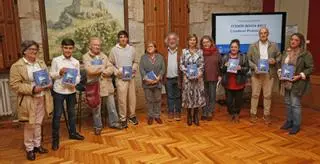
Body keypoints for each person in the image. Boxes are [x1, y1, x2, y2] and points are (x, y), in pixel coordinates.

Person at [10, 40, 52, 160]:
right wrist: (33, 89)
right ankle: (29, 149)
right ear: (24, 51)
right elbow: (14, 85)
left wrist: (49, 83)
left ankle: (37, 145)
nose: (34, 52)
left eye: (35, 49)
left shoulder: (40, 62)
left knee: (38, 123)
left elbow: (47, 76)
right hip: (29, 99)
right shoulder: (17, 66)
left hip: (43, 97)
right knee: (30, 124)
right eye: (31, 49)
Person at [83, 37, 123, 135]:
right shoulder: (86, 57)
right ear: (90, 46)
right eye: (95, 45)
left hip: (107, 84)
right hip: (94, 86)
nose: (97, 47)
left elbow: (111, 68)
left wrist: (103, 71)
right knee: (96, 108)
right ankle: (98, 126)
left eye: (99, 45)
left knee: (112, 106)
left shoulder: (104, 56)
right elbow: (90, 70)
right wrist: (102, 68)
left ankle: (114, 122)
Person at [50, 39, 84, 151]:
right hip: (59, 91)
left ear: (73, 49)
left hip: (71, 91)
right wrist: (59, 73)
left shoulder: (76, 62)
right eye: (66, 48)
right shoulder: (56, 60)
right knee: (57, 115)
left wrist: (75, 81)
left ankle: (73, 133)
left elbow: (78, 76)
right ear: (62, 48)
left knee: (72, 114)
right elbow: (51, 75)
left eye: (70, 48)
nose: (68, 50)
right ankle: (55, 139)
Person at [279, 33, 313, 135]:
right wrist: (280, 72)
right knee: (288, 103)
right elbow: (282, 65)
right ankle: (289, 121)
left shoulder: (305, 54)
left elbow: (310, 68)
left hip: (297, 83)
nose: (293, 41)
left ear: (300, 42)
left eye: (296, 40)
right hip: (285, 82)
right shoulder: (286, 52)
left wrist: (299, 76)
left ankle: (296, 125)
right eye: (292, 39)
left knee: (295, 104)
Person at [247, 27, 280, 124]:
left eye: (265, 33)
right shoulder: (252, 46)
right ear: (259, 34)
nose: (263, 34)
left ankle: (266, 115)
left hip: (268, 73)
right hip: (256, 74)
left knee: (268, 95)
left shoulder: (274, 45)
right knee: (255, 95)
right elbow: (248, 60)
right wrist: (254, 66)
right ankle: (253, 114)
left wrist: (275, 60)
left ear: (268, 34)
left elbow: (279, 56)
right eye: (261, 33)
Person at [109, 30, 139, 128]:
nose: (123, 39)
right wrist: (116, 72)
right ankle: (123, 118)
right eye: (121, 37)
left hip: (131, 77)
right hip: (120, 78)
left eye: (124, 37)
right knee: (122, 99)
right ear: (118, 39)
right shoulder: (114, 50)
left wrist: (133, 68)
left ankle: (132, 116)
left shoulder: (132, 49)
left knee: (132, 98)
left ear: (127, 38)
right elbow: (110, 64)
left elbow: (135, 62)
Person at [180, 34, 206, 126]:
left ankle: (195, 115)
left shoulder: (200, 52)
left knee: (197, 96)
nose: (192, 41)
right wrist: (188, 73)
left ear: (196, 41)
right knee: (188, 97)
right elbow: (181, 64)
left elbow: (202, 64)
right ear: (188, 41)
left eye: (194, 40)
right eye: (190, 40)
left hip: (198, 78)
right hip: (187, 78)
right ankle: (189, 116)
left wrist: (199, 73)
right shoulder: (184, 51)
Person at [221, 39, 249, 123]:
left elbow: (247, 68)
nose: (233, 48)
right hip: (228, 83)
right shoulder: (225, 56)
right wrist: (225, 66)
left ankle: (236, 114)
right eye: (232, 47)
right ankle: (231, 113)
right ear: (230, 47)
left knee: (238, 101)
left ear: (238, 48)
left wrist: (241, 68)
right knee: (229, 101)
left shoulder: (243, 56)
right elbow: (221, 69)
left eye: (235, 47)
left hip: (239, 82)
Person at [139, 41, 166, 125]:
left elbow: (163, 68)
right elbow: (141, 69)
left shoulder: (160, 57)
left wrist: (159, 77)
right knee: (149, 100)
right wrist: (146, 78)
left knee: (158, 99)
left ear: (155, 48)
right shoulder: (143, 58)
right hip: (147, 83)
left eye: (151, 46)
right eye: (148, 46)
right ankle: (150, 116)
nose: (149, 47)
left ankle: (157, 116)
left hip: (157, 82)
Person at [200, 35, 221, 121]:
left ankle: (210, 111)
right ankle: (204, 111)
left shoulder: (216, 52)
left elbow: (220, 64)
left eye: (207, 42)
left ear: (211, 42)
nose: (206, 44)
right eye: (204, 42)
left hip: (213, 76)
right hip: (202, 77)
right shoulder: (199, 52)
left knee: (212, 95)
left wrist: (220, 75)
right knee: (204, 95)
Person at [163, 32, 182, 121]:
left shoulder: (181, 51)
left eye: (174, 39)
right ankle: (171, 111)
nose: (172, 41)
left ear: (177, 40)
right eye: (170, 39)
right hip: (168, 78)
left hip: (178, 78)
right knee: (169, 96)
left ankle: (178, 111)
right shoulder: (164, 52)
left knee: (178, 96)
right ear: (167, 41)